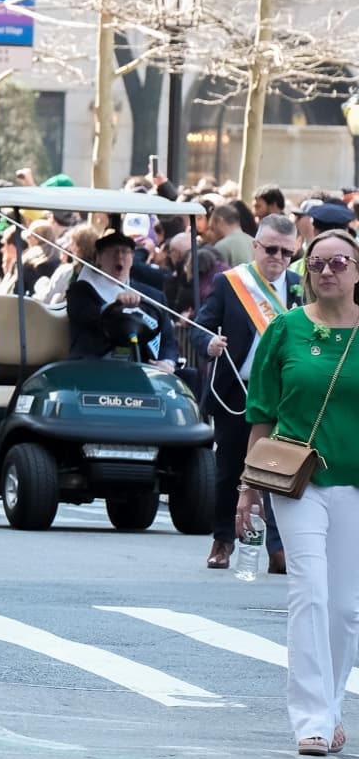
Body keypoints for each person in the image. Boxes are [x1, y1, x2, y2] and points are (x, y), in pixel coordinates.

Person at [236, 227, 359, 758]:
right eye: (318, 264)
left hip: (355, 482)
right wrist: (247, 485)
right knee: (309, 590)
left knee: (346, 607)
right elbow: (261, 413)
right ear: (306, 273)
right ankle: (310, 719)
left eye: (339, 262)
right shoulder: (284, 330)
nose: (327, 271)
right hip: (296, 480)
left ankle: (331, 707)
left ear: (357, 269)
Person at [194, 213, 301, 572]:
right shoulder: (231, 283)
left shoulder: (301, 287)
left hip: (286, 394)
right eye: (271, 249)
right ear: (255, 246)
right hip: (238, 390)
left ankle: (276, 547)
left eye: (287, 253)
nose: (278, 259)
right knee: (229, 470)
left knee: (277, 470)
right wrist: (209, 343)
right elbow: (201, 326)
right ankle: (223, 539)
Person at [67, 230, 169, 361]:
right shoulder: (81, 291)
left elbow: (168, 340)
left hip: (143, 367)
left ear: (132, 258)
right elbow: (88, 318)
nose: (119, 257)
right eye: (112, 252)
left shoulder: (154, 295)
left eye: (125, 252)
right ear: (98, 258)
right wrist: (115, 307)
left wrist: (167, 362)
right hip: (95, 365)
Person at [207, 201, 256, 269]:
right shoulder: (254, 242)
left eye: (212, 228)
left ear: (220, 221)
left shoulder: (221, 246)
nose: (212, 233)